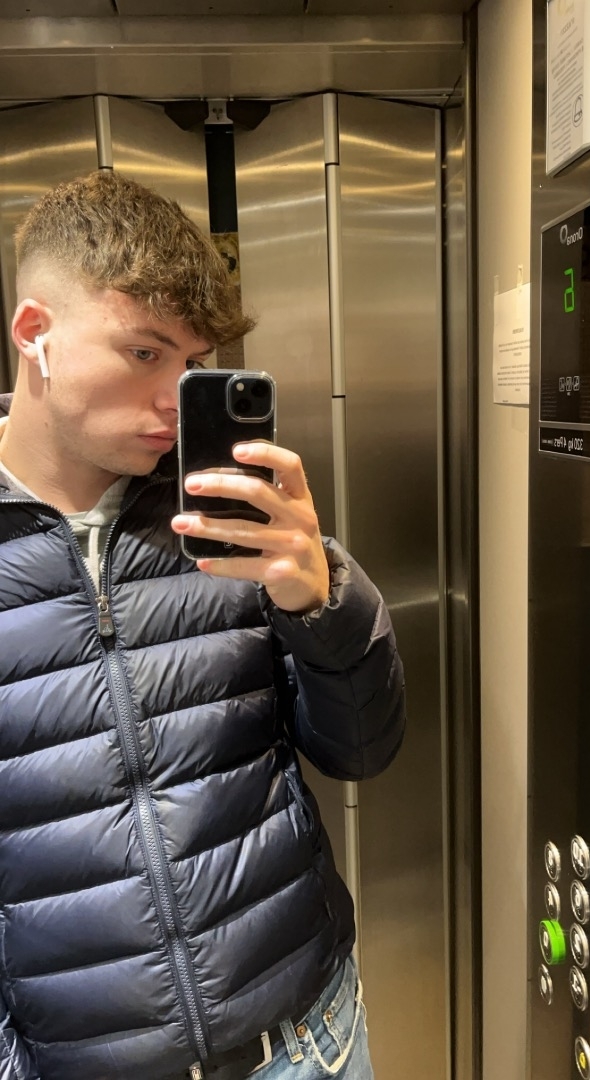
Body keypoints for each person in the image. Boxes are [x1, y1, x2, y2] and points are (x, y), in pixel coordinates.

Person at [0, 171, 405, 1080]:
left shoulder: (231, 522)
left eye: (192, 364)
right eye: (144, 352)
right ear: (35, 333)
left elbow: (362, 751)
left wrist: (324, 604)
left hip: (309, 1041)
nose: (171, 399)